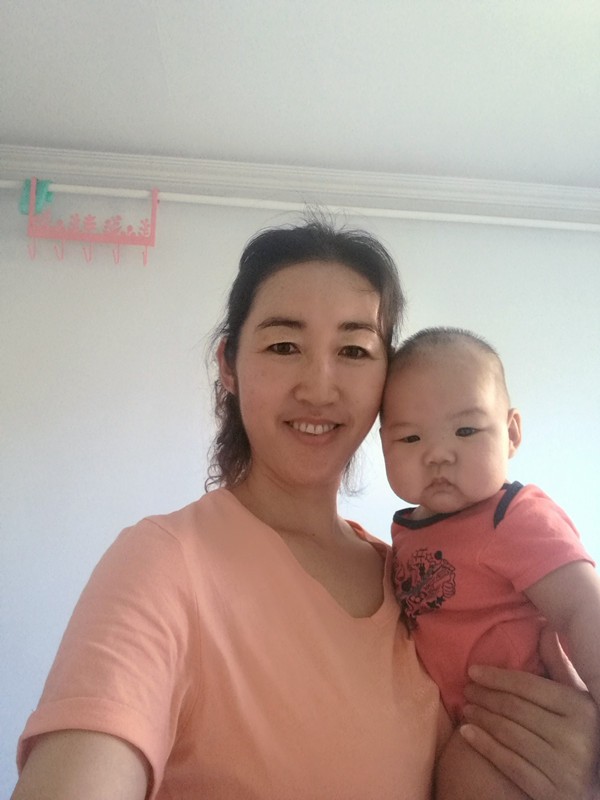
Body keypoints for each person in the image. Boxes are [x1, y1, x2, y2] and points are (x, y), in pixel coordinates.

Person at [12, 223, 599, 800]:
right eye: (284, 346)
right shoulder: (165, 562)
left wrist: (580, 771)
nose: (319, 387)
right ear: (229, 365)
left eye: (354, 350)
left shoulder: (416, 577)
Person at [381, 325, 600, 797]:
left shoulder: (514, 516)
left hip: (529, 717)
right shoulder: (403, 534)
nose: (438, 455)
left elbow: (583, 608)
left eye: (465, 430)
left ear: (512, 433)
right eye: (411, 438)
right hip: (465, 722)